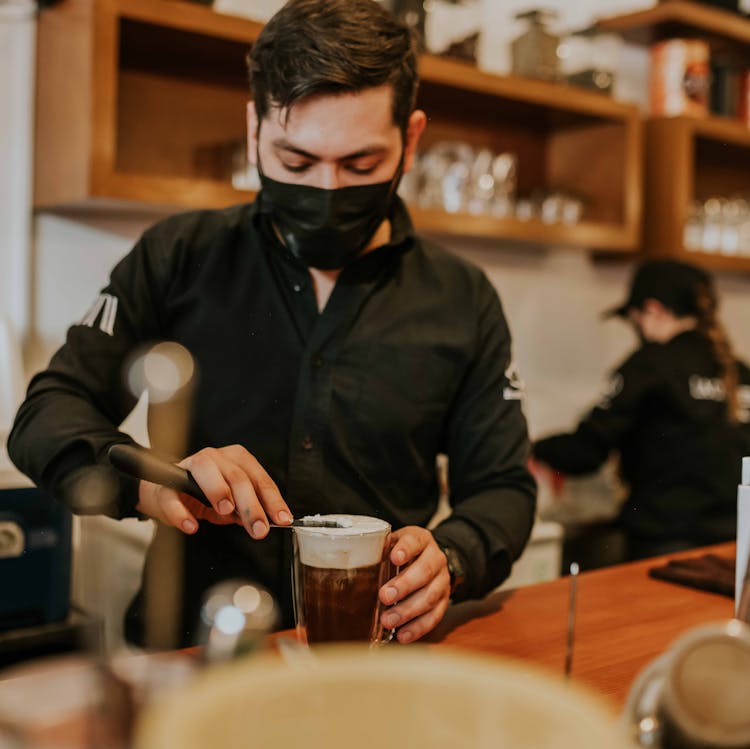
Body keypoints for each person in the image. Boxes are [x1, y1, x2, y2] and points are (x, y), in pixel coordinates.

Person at [9, 0, 535, 647]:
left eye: (361, 166)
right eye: (296, 160)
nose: (326, 191)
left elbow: (504, 488)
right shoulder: (180, 255)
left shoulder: (463, 297)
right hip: (193, 648)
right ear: (255, 129)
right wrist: (148, 482)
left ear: (412, 137)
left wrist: (451, 558)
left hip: (374, 656)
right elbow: (45, 414)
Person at [533, 259, 750, 561]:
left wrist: (531, 448)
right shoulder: (739, 372)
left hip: (666, 546)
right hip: (734, 549)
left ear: (652, 310)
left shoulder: (648, 365)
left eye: (633, 318)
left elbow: (585, 452)